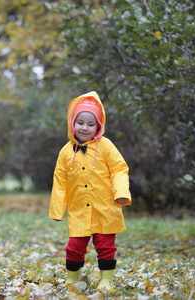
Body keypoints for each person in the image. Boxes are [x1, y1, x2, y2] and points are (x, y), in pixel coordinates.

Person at [49, 91, 131, 291]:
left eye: (91, 124)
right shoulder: (65, 152)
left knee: (105, 246)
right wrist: (57, 210)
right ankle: (72, 279)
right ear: (72, 124)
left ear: (98, 126)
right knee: (75, 247)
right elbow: (60, 182)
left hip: (105, 207)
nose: (85, 128)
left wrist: (121, 192)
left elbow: (120, 169)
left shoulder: (106, 146)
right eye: (80, 122)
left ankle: (106, 279)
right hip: (79, 210)